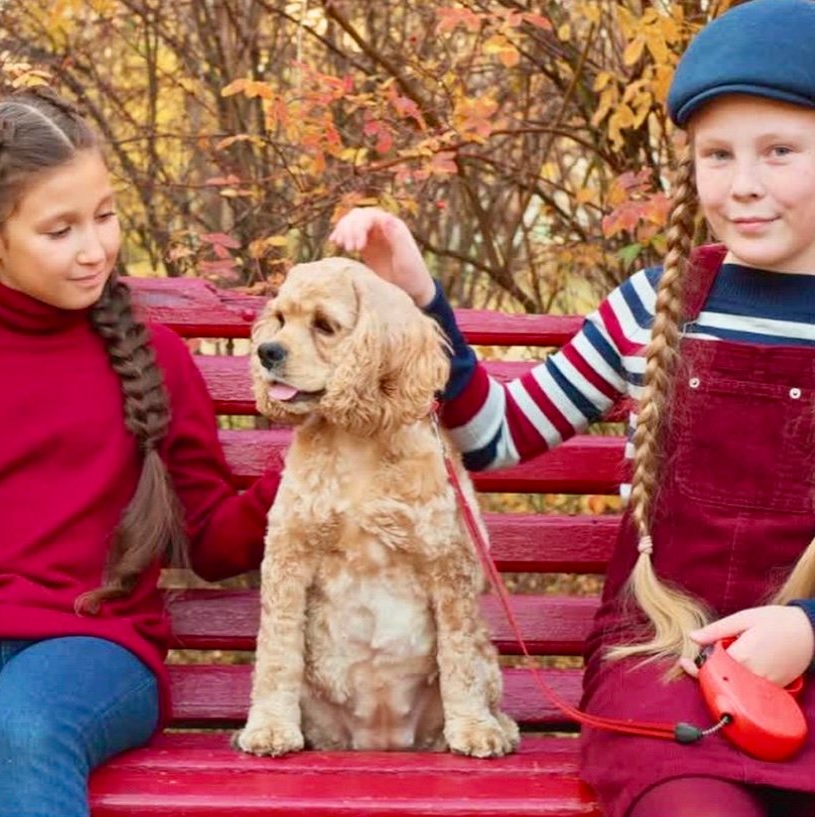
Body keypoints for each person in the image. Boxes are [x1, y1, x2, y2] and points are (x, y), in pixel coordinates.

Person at [329, 1, 815, 814]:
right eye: (716, 155)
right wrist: (421, 297)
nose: (742, 185)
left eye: (779, 152)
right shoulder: (653, 307)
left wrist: (805, 624)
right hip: (666, 657)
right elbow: (493, 439)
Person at [0, 86, 279, 816]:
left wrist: (291, 482)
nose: (94, 249)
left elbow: (212, 543)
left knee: (22, 725)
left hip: (96, 647)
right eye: (59, 231)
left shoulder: (153, 358)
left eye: (105, 216)